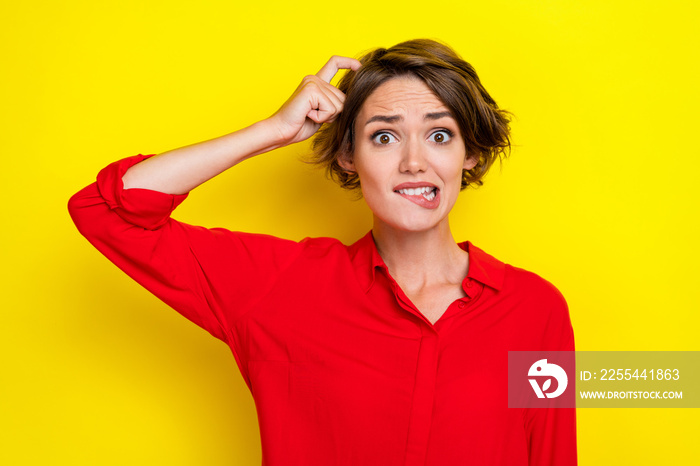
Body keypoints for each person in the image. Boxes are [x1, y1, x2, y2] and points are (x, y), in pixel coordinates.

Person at [68, 39, 577, 465]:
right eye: (384, 137)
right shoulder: (278, 286)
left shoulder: (536, 309)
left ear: (471, 154)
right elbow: (106, 210)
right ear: (348, 157)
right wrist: (272, 132)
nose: (414, 162)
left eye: (439, 135)